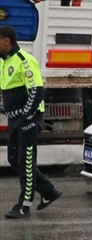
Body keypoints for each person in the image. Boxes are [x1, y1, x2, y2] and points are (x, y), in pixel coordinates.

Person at [0, 25, 62, 218]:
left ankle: (24, 205)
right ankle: (48, 191)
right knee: (13, 159)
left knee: (26, 162)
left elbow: (37, 92)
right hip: (15, 119)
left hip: (28, 119)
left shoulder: (25, 60)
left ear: (6, 40)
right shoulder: (4, 61)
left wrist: (25, 117)